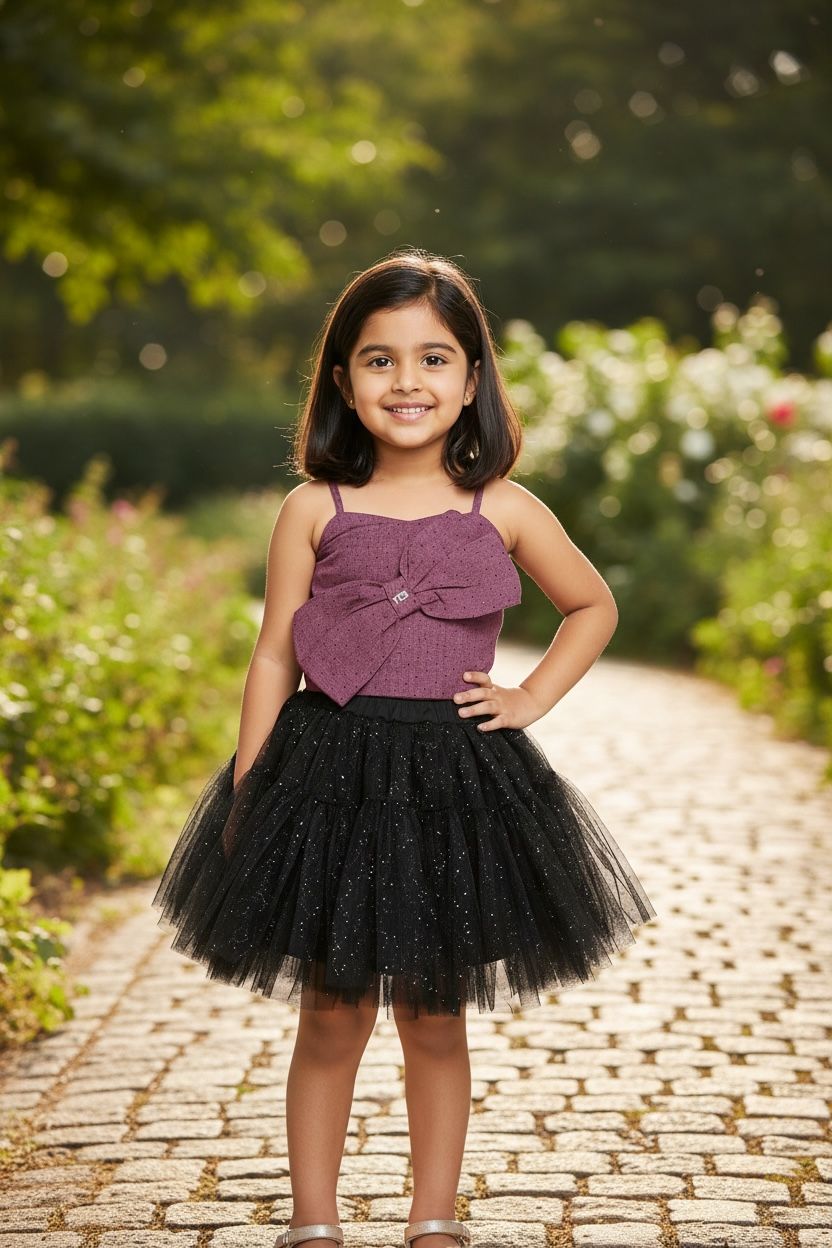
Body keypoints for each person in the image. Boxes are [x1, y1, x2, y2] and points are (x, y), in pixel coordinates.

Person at [152, 247, 657, 1248]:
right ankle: (313, 1220)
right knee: (330, 1013)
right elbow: (272, 656)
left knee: (434, 1014)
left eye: (434, 359)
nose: (408, 382)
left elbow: (591, 605)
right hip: (327, 777)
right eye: (378, 361)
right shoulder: (314, 509)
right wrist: (253, 781)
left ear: (473, 379)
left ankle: (433, 1217)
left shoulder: (501, 508)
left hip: (453, 783)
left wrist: (528, 698)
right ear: (341, 381)